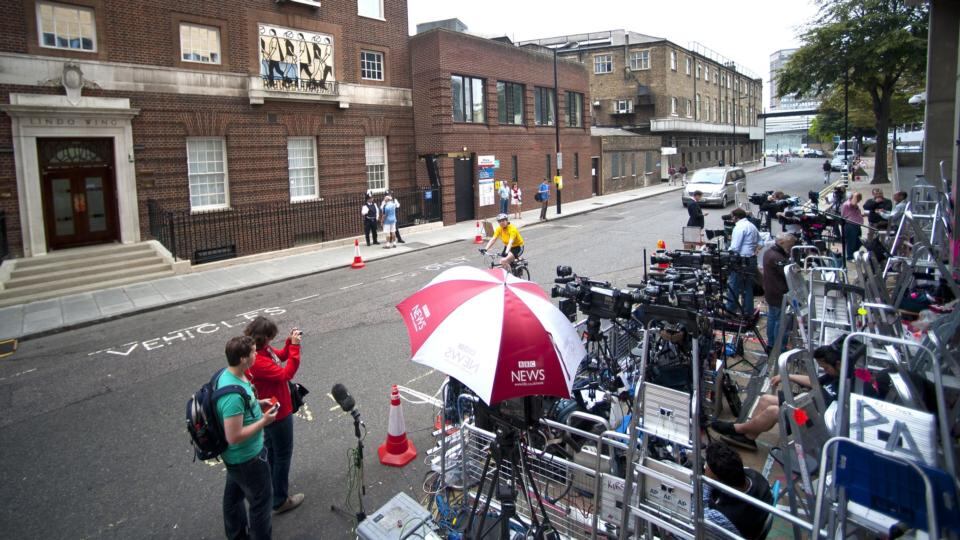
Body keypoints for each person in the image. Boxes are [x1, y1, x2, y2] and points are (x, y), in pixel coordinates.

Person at [710, 339, 870, 450]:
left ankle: (738, 429)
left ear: (839, 364)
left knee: (774, 411)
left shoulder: (856, 382)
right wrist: (786, 376)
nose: (825, 371)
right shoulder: (836, 374)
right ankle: (749, 438)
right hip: (807, 405)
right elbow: (814, 382)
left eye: (826, 368)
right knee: (765, 400)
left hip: (813, 422)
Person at [244, 317, 305, 516]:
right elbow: (286, 374)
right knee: (283, 455)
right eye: (271, 337)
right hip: (278, 413)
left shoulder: (261, 351)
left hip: (271, 410)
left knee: (271, 452)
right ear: (264, 338)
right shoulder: (258, 361)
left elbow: (280, 356)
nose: (273, 341)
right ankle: (280, 500)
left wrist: (289, 343)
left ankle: (271, 487)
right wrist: (295, 349)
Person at [219, 335, 278, 540]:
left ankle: (236, 534)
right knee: (261, 504)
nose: (256, 354)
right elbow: (233, 436)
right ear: (243, 358)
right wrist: (263, 422)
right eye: (253, 352)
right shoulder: (233, 397)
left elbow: (244, 404)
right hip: (247, 458)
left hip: (237, 459)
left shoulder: (229, 375)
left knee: (233, 497)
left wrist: (256, 403)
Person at [703, 441, 773, 539]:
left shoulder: (721, 515)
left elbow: (693, 515)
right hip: (755, 526)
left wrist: (707, 481)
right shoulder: (756, 476)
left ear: (719, 480)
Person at [763, 233, 797, 353]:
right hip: (779, 293)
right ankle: (779, 347)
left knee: (773, 318)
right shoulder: (777, 257)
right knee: (781, 322)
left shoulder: (769, 252)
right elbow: (790, 275)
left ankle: (772, 344)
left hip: (771, 291)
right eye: (790, 244)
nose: (791, 247)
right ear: (782, 242)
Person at [725, 208, 760, 316]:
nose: (731, 219)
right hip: (751, 259)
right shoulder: (752, 225)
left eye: (732, 217)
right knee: (747, 287)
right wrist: (754, 250)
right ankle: (747, 311)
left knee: (733, 285)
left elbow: (735, 247)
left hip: (741, 261)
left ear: (736, 217)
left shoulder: (739, 227)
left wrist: (726, 254)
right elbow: (761, 241)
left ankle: (730, 310)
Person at [840, 192, 864, 261]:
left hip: (857, 225)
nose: (859, 200)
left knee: (858, 241)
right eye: (858, 198)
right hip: (850, 226)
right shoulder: (848, 204)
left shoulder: (854, 205)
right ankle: (850, 257)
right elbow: (853, 203)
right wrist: (855, 195)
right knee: (851, 242)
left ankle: (855, 254)